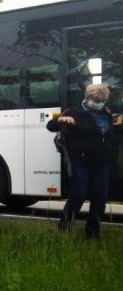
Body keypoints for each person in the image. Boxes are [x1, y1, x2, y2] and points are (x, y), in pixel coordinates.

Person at [47, 83, 120, 239]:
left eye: (102, 100)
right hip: (80, 160)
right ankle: (64, 227)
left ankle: (93, 231)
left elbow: (109, 135)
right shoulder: (74, 112)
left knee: (100, 196)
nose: (99, 103)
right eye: (96, 99)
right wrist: (61, 119)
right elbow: (50, 125)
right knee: (79, 193)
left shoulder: (106, 113)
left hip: (101, 162)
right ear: (87, 98)